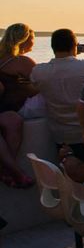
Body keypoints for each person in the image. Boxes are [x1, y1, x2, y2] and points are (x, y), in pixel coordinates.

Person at [30, 29, 84, 162]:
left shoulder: (39, 71)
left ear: (53, 47)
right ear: (75, 46)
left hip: (60, 135)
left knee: (68, 172)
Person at [0, 24, 37, 188]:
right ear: (25, 40)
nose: (34, 43)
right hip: (5, 105)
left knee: (13, 121)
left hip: (5, 109)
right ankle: (16, 172)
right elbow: (41, 84)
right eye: (33, 39)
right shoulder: (21, 62)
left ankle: (5, 170)